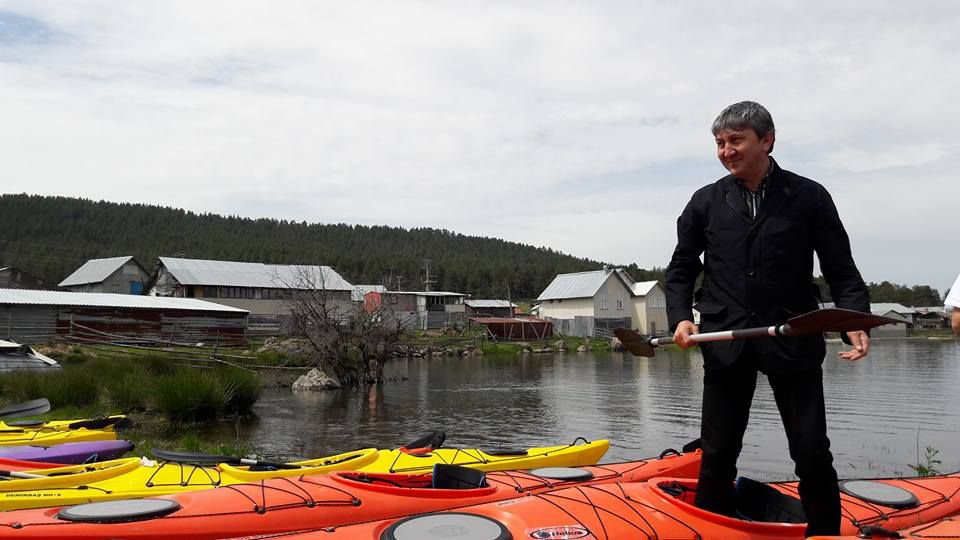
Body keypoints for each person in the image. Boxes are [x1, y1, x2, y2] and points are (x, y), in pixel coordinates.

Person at [665, 101, 870, 537]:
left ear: (767, 140)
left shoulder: (809, 196)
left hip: (792, 336)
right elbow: (681, 268)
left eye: (736, 140)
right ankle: (711, 532)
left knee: (812, 451)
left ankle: (825, 534)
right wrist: (681, 317)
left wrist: (855, 318)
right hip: (724, 337)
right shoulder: (704, 202)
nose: (726, 151)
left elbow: (841, 268)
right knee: (718, 452)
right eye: (720, 143)